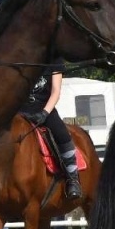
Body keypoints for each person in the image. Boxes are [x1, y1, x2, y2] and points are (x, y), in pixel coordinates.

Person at [21, 59, 83, 201]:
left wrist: (44, 113)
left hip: (44, 109)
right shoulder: (23, 56)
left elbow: (56, 92)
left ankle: (72, 179)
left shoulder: (54, 61)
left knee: (63, 135)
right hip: (21, 110)